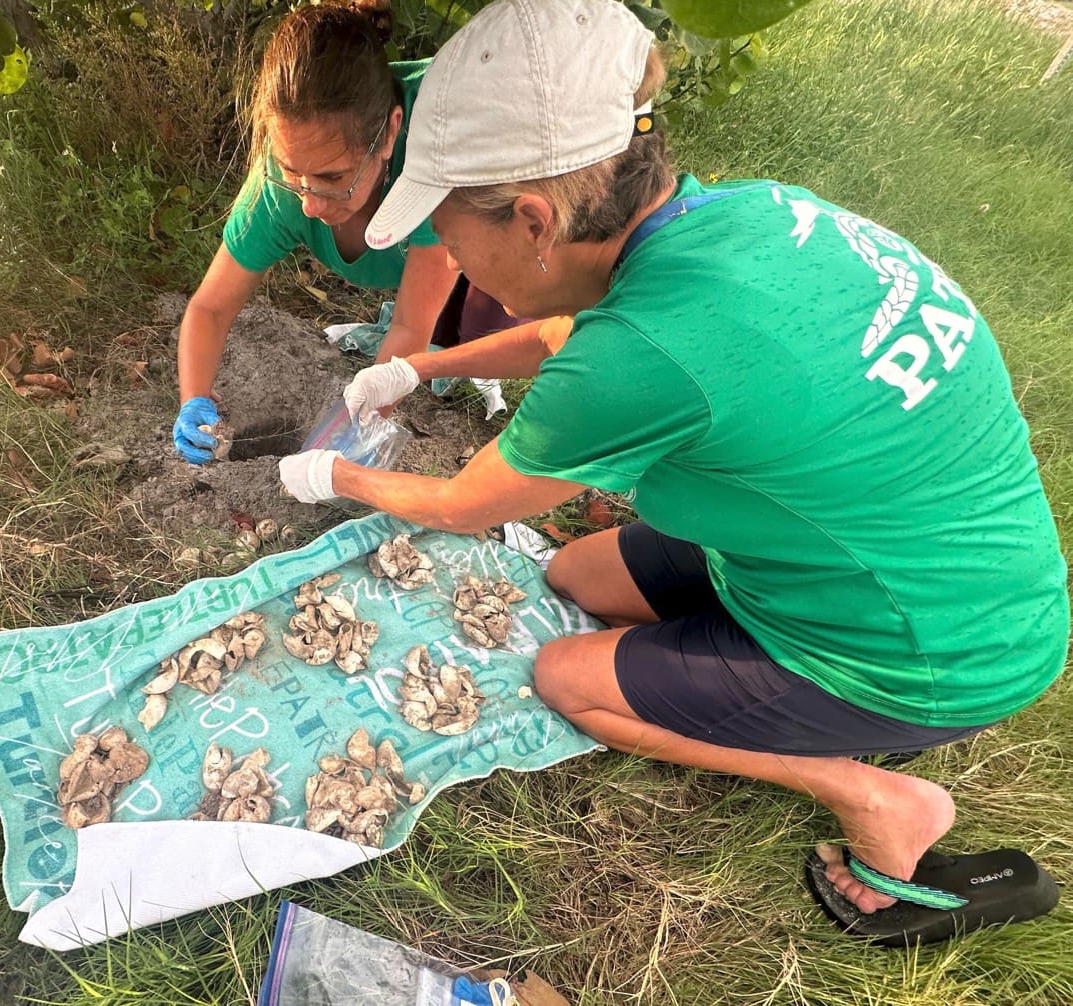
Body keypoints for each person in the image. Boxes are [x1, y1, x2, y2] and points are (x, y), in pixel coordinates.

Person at [278, 0, 1068, 944]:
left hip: (928, 650)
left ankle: (876, 793)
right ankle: (749, 645)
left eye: (449, 229)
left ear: (533, 219)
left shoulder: (641, 357)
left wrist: (337, 476)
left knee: (569, 677)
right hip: (914, 560)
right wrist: (423, 366)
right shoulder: (742, 215)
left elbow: (461, 504)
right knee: (573, 575)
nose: (447, 255)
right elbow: (580, 332)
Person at [172, 0, 520, 464]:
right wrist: (193, 398)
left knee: (479, 327)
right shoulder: (280, 190)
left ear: (391, 135)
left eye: (334, 178)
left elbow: (410, 326)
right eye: (293, 171)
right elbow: (211, 306)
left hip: (489, 198)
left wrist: (350, 430)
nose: (310, 203)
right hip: (411, 242)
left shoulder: (437, 155)